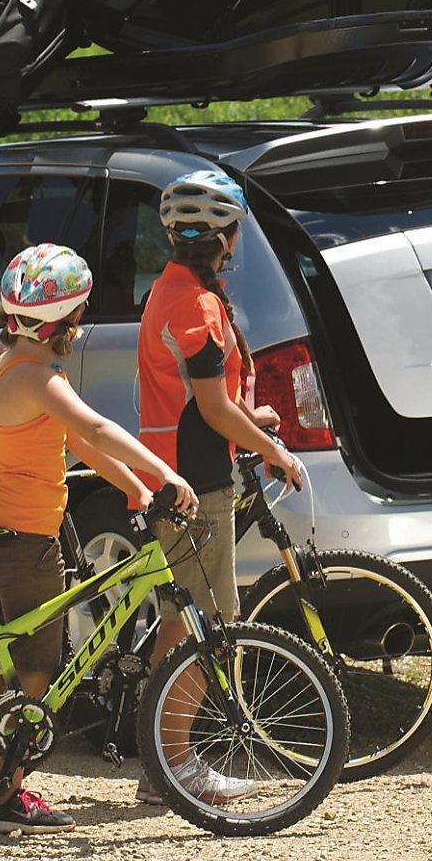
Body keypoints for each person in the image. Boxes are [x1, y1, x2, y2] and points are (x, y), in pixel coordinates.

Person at [0, 243, 199, 834]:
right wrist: (167, 473)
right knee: (36, 668)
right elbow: (96, 425)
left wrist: (136, 487)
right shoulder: (35, 377)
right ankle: (1, 795)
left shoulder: (17, 368)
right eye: (79, 314)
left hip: (11, 532)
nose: (81, 325)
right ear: (60, 320)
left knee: (8, 658)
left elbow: (81, 444)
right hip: (23, 540)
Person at [133, 169, 305, 806]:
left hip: (178, 470)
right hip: (193, 482)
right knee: (207, 623)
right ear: (226, 237)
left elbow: (202, 397)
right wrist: (275, 449)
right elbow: (208, 408)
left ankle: (162, 761)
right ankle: (172, 766)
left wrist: (247, 418)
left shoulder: (172, 290)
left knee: (184, 619)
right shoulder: (197, 304)